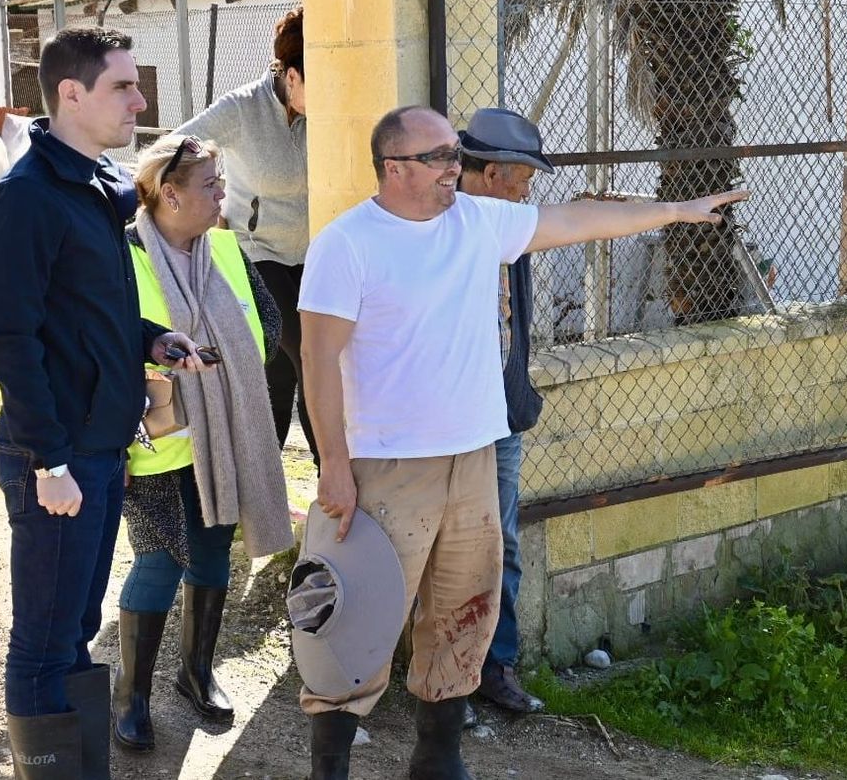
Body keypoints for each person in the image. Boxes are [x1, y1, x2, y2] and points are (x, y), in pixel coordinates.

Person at [297, 105, 749, 779]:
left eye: (456, 153)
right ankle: (329, 765)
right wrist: (334, 465)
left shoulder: (478, 223)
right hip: (389, 463)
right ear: (395, 168)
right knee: (358, 617)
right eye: (441, 157)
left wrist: (676, 210)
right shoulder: (349, 242)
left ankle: (437, 758)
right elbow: (318, 358)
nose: (458, 166)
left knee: (464, 611)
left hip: (475, 455)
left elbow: (575, 221)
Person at [0, 27, 206, 779]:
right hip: (59, 457)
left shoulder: (98, 188)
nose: (141, 101)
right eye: (123, 87)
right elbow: (13, 343)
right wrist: (49, 461)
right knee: (44, 639)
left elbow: (85, 311)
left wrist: (149, 339)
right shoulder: (25, 201)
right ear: (70, 95)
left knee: (75, 625)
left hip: (102, 450)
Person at [111, 134, 295, 751]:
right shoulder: (122, 255)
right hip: (154, 446)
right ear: (169, 192)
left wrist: (224, 358)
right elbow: (105, 351)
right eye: (212, 184)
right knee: (160, 560)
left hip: (226, 436)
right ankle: (131, 697)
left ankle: (195, 673)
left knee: (214, 552)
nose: (223, 194)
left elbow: (267, 327)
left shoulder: (226, 247)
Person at [176, 6, 317, 462]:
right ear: (291, 75)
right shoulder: (242, 109)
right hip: (258, 255)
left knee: (277, 375)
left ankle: (259, 490)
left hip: (316, 255)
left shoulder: (331, 112)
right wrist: (207, 194)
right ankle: (332, 476)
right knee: (313, 358)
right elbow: (172, 150)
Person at [457, 108, 550, 715]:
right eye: (522, 179)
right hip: (451, 423)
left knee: (504, 546)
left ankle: (498, 667)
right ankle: (449, 681)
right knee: (450, 550)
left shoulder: (512, 230)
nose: (528, 191)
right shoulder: (445, 228)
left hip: (503, 416)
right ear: (491, 173)